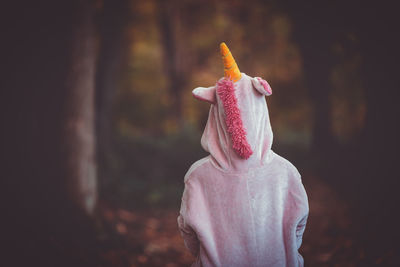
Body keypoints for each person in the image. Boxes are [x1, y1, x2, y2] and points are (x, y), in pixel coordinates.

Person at [178, 42, 309, 267]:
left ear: (216, 116)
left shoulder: (198, 176)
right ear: (261, 112)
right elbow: (299, 223)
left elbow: (188, 231)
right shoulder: (285, 171)